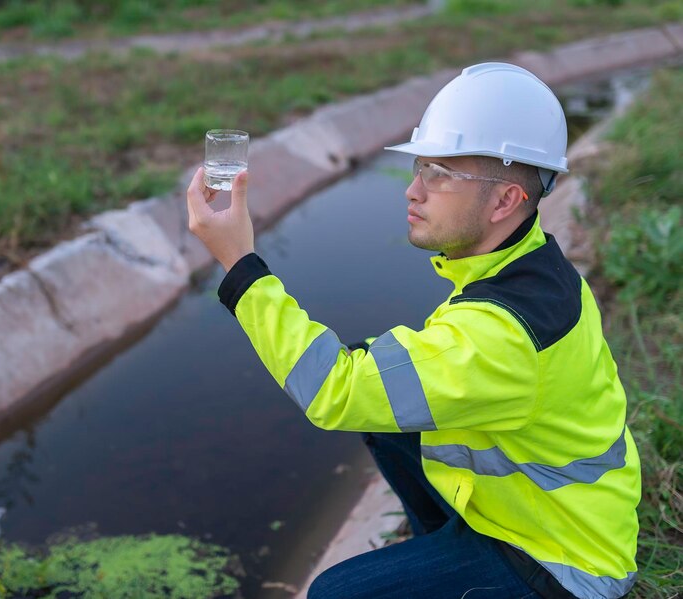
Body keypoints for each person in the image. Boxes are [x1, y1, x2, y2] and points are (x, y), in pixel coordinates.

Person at [185, 62, 641, 599]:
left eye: (441, 173)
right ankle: (441, 546)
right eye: (420, 166)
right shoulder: (525, 262)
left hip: (561, 565)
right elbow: (387, 380)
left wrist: (240, 266)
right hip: (532, 515)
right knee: (386, 407)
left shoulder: (501, 332)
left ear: (504, 201)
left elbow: (335, 390)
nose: (413, 190)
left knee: (335, 594)